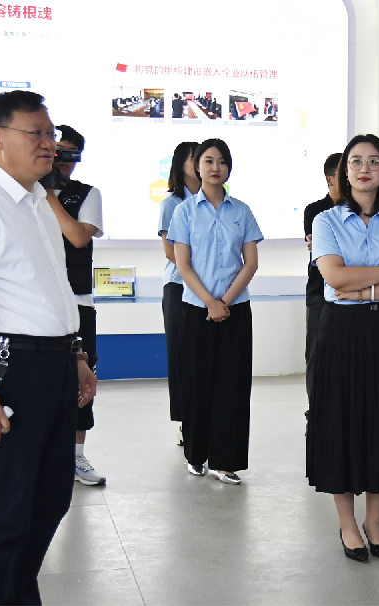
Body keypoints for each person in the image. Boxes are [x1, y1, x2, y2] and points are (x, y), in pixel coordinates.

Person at [0, 90, 97, 604]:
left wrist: (76, 355)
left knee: (50, 500)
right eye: (37, 133)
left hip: (55, 365)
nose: (49, 144)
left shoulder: (37, 203)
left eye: (51, 134)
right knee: (8, 509)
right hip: (11, 370)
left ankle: (16, 596)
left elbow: (51, 288)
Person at [307, 134, 379, 562]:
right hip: (342, 332)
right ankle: (347, 524)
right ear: (344, 171)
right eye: (356, 161)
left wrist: (365, 289)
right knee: (341, 423)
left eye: (373, 161)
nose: (364, 169)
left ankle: (375, 522)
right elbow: (334, 277)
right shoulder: (327, 221)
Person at [167, 138, 263, 484]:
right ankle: (196, 455)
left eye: (221, 161)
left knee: (232, 386)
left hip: (236, 309)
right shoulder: (184, 211)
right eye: (208, 161)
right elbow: (183, 265)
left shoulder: (242, 211)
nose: (215, 167)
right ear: (197, 167)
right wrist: (210, 302)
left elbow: (250, 263)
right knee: (196, 383)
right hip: (197, 309)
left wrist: (225, 301)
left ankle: (227, 461)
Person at [44, 124, 106, 487]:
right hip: (35, 302)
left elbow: (79, 237)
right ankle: (44, 456)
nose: (63, 161)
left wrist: (48, 194)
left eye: (71, 155)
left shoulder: (86, 194)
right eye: (58, 152)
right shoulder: (23, 191)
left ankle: (76, 456)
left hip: (77, 301)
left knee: (82, 380)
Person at [158, 141, 199, 445]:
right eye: (194, 158)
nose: (201, 163)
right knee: (182, 357)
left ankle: (207, 418)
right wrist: (199, 276)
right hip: (179, 287)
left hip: (212, 291)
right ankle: (187, 422)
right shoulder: (172, 203)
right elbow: (170, 251)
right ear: (180, 164)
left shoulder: (217, 202)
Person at [303, 152, 343, 398]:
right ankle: (315, 409)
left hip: (352, 294)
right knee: (317, 354)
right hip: (320, 291)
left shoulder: (363, 210)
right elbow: (322, 254)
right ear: (330, 179)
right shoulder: (315, 211)